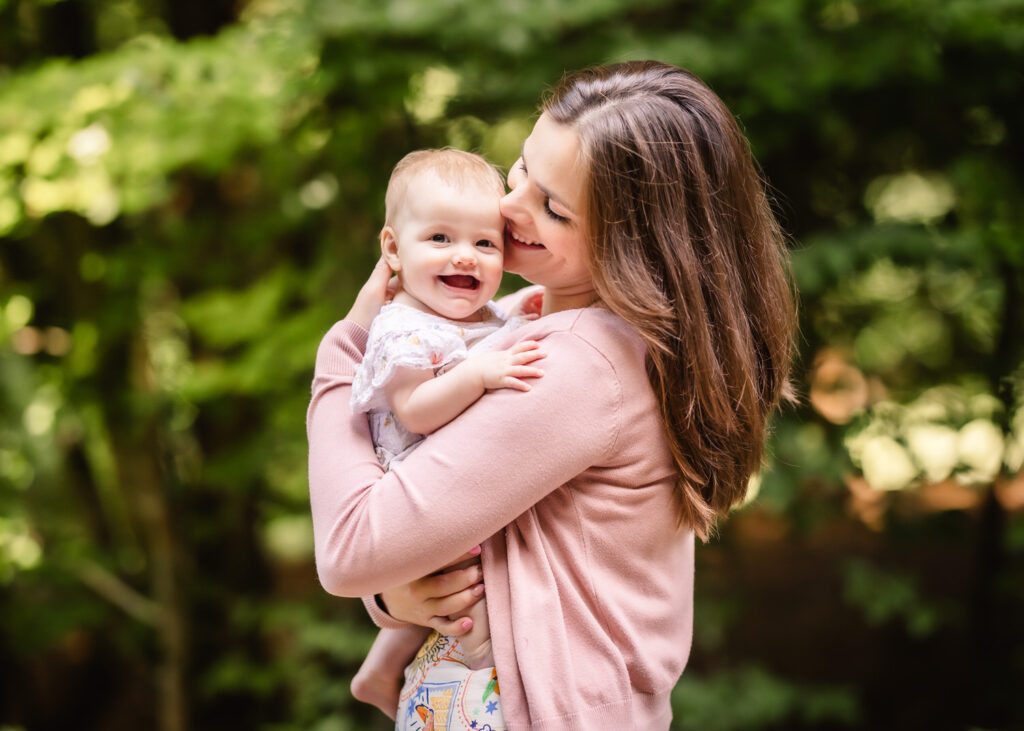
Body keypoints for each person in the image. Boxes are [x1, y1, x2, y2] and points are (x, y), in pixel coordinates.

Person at [308, 60, 797, 730]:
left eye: (553, 208)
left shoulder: (577, 364)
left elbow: (351, 547)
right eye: (520, 169)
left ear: (634, 245)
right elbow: (420, 531)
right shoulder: (527, 320)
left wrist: (346, 349)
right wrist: (398, 594)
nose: (509, 208)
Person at [346, 148, 546, 722]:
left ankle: (379, 669)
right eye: (439, 239)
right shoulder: (402, 327)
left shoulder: (460, 312)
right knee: (466, 587)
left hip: (448, 484)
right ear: (392, 250)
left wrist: (517, 312)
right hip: (417, 489)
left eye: (484, 244)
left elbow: (477, 331)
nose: (465, 255)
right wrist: (479, 374)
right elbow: (415, 409)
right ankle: (485, 666)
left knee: (449, 577)